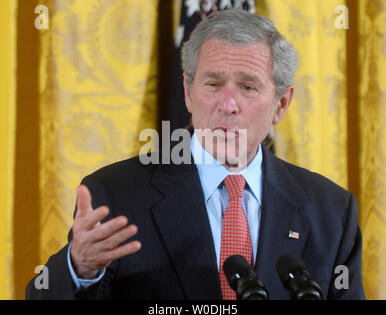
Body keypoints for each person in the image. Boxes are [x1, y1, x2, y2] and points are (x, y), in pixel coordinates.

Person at [26, 9, 365, 300]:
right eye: (213, 84)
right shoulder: (115, 195)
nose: (228, 105)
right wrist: (79, 268)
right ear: (188, 93)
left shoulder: (332, 212)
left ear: (281, 104)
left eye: (247, 87)